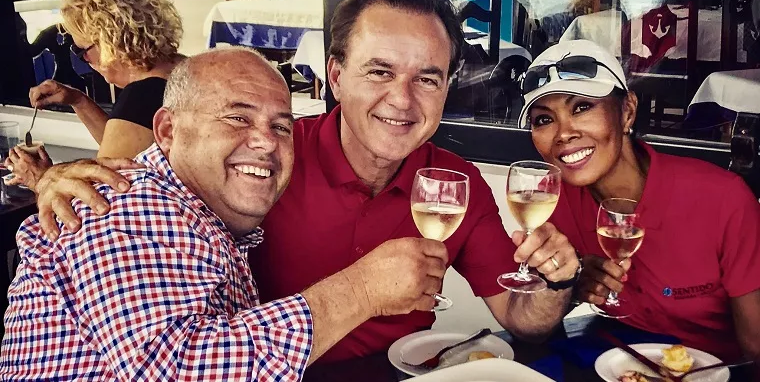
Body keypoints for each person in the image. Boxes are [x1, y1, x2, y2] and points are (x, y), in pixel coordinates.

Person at [29, 0, 582, 363]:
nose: (402, 100)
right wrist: (62, 180)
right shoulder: (266, 162)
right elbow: (164, 187)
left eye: (427, 78)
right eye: (380, 71)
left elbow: (521, 317)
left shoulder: (453, 186)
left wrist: (557, 283)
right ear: (336, 77)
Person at [0, 47, 449, 381]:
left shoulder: (206, 211)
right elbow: (173, 371)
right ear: (168, 130)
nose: (267, 141)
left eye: (280, 126)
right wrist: (363, 290)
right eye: (237, 118)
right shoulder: (119, 206)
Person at [518, 39, 760, 364]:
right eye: (544, 120)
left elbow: (756, 349)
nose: (563, 133)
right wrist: (570, 285)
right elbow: (530, 325)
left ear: (627, 110)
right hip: (615, 362)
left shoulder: (723, 200)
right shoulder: (552, 204)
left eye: (582, 107)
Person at [4, 0, 185, 189]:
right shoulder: (178, 69)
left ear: (109, 42)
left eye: (82, 51)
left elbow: (102, 198)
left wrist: (42, 179)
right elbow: (122, 149)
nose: (85, 59)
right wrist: (78, 100)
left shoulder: (143, 95)